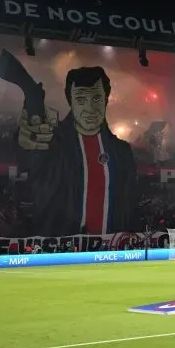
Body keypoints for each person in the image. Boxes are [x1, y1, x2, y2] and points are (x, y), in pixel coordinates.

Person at [12, 63, 138, 236]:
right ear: (71, 102)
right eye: (80, 100)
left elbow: (129, 205)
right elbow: (29, 154)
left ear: (106, 99)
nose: (90, 108)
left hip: (112, 255)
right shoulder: (52, 144)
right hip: (61, 255)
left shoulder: (122, 152)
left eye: (96, 99)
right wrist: (30, 92)